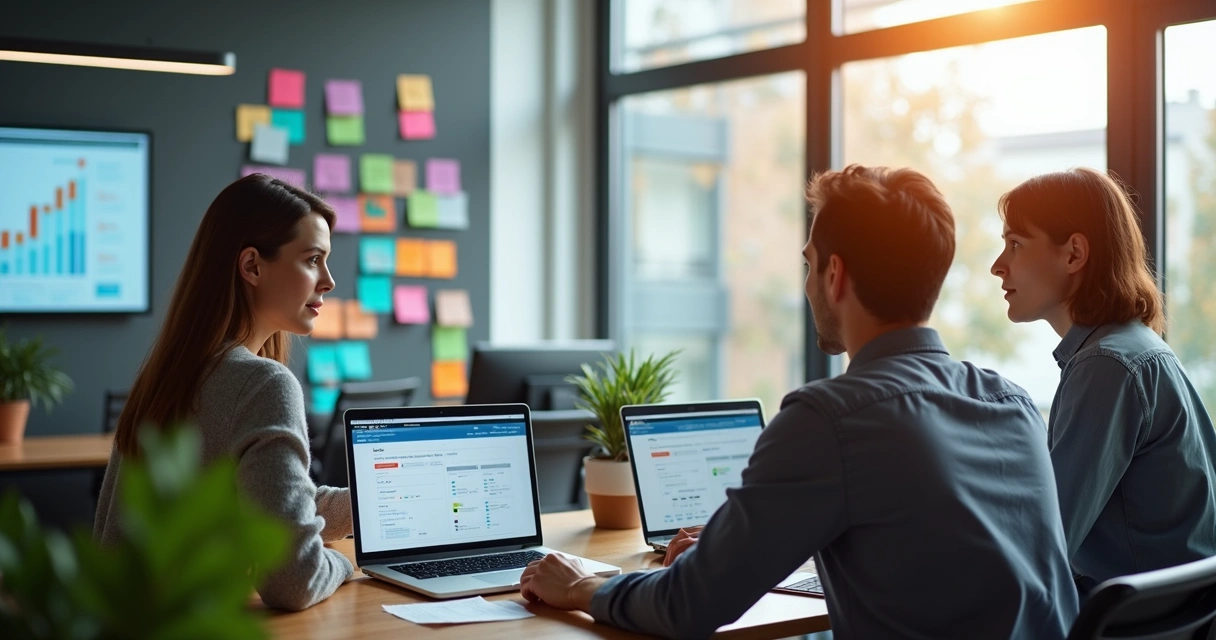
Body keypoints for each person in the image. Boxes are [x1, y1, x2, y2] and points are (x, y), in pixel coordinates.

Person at [520, 165, 1079, 639]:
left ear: (835, 274)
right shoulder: (1011, 401)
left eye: (810, 263)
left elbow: (688, 607)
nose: (809, 281)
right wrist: (740, 547)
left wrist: (581, 585)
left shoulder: (829, 419)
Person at [94, 174, 351, 611]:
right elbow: (294, 581)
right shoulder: (262, 383)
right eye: (313, 260)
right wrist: (348, 564)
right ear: (252, 266)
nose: (328, 280)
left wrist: (384, 501)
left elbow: (279, 505)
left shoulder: (173, 372)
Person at [990, 167, 1216, 595]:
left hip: (1129, 625)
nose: (997, 266)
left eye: (1015, 244)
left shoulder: (1107, 366)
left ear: (1074, 254)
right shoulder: (1135, 347)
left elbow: (1045, 542)